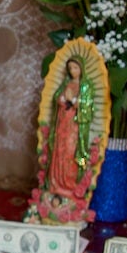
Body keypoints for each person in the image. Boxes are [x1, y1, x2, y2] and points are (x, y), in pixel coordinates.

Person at [46, 57, 95, 199]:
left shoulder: (85, 86)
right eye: (70, 68)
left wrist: (72, 100)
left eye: (75, 68)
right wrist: (62, 99)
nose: (73, 71)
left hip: (75, 126)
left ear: (81, 69)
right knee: (60, 150)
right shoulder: (66, 83)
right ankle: (57, 183)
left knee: (70, 151)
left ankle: (70, 184)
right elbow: (57, 98)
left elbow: (86, 107)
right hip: (62, 123)